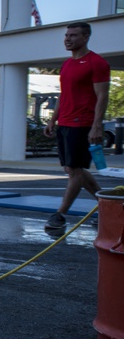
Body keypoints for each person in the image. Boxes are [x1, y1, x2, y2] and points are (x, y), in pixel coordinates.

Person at [43, 22, 110, 229]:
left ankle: (60, 214)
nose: (68, 39)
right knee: (72, 169)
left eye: (73, 35)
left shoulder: (96, 63)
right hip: (65, 123)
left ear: (86, 37)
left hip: (83, 123)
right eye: (66, 35)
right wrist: (54, 119)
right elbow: (65, 95)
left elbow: (102, 96)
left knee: (75, 170)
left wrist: (97, 126)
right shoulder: (67, 64)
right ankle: (106, 206)